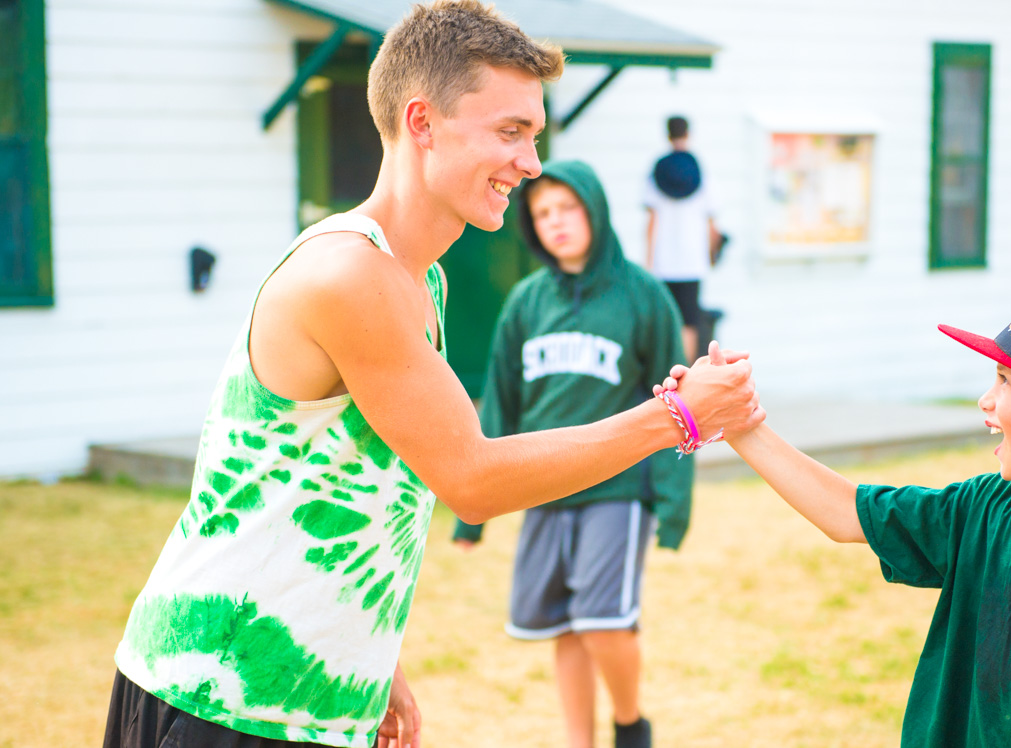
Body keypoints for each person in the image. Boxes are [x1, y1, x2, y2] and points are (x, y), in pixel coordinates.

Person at [101, 4, 760, 748]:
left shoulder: (421, 279)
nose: (532, 164)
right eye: (510, 131)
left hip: (296, 692)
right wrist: (676, 415)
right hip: (216, 695)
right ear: (422, 122)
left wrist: (364, 651)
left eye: (534, 135)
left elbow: (349, 482)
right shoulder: (351, 274)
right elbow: (471, 477)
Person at [658, 293, 1011, 746]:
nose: (986, 400)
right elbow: (844, 513)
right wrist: (737, 423)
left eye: (1005, 382)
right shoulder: (987, 511)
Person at [452, 160, 690, 748]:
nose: (556, 223)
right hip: (543, 485)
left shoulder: (644, 297)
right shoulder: (526, 303)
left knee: (603, 622)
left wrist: (673, 501)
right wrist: (469, 511)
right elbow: (501, 405)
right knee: (563, 625)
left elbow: (677, 408)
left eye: (568, 209)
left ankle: (632, 725)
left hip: (618, 488)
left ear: (596, 211)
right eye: (542, 213)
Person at [644, 115, 719, 361]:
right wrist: (712, 252)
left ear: (667, 134)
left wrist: (649, 261)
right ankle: (685, 376)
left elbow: (652, 220)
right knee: (689, 321)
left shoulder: (657, 169)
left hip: (663, 261)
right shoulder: (699, 169)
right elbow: (711, 220)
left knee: (665, 321)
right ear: (688, 134)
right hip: (692, 260)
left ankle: (665, 372)